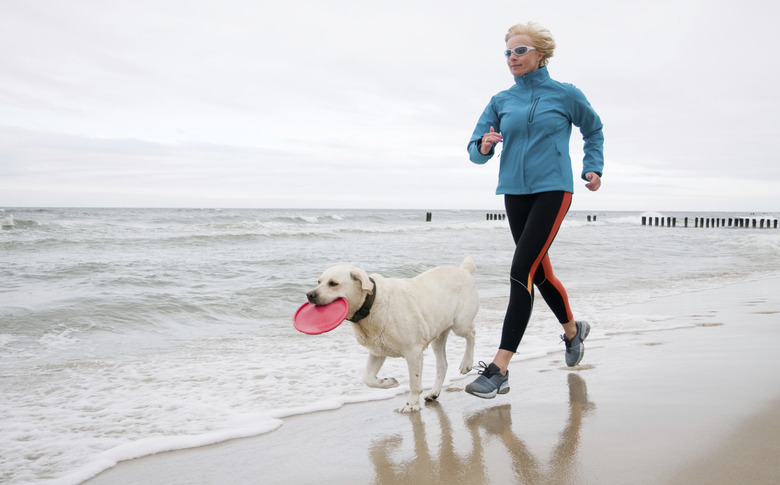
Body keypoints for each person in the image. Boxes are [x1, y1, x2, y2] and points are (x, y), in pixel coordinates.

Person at [465, 21, 604, 399]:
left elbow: (593, 130)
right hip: (514, 190)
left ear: (541, 54)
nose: (512, 58)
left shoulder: (565, 94)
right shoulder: (501, 100)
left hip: (553, 188)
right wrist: (485, 146)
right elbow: (475, 149)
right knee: (538, 273)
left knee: (520, 269)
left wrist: (593, 165)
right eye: (508, 52)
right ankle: (574, 330)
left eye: (520, 51)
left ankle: (500, 368)